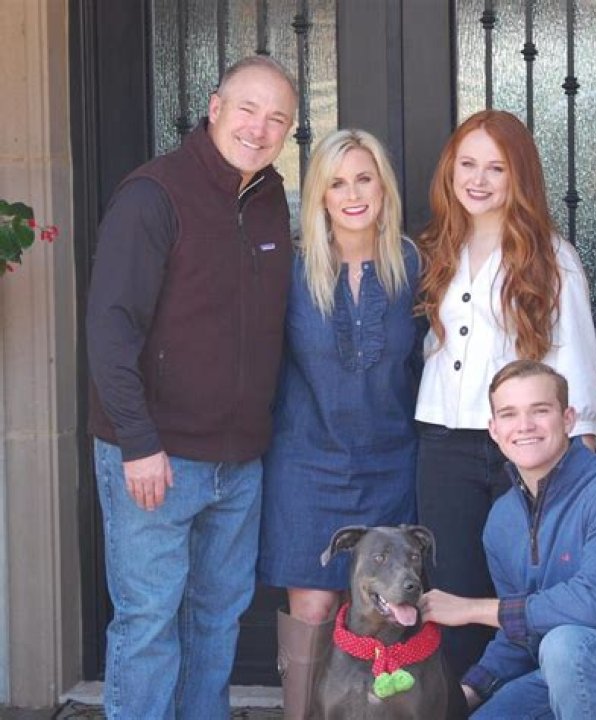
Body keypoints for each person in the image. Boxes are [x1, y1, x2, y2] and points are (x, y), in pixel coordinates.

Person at [86, 55, 298, 720]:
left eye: (277, 119)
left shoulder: (270, 201)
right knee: (149, 621)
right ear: (214, 108)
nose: (259, 128)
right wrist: (138, 443)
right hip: (157, 458)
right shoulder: (154, 195)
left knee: (217, 619)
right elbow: (110, 329)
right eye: (247, 109)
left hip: (238, 464)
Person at [415, 109, 596, 675]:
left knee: (524, 585)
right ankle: (460, 701)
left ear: (518, 176)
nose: (478, 180)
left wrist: (578, 452)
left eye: (496, 168)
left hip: (520, 448)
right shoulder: (435, 250)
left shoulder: (551, 257)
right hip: (442, 443)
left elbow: (574, 359)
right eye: (467, 164)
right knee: (451, 587)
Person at [420, 360, 596, 719]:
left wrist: (472, 610)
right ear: (494, 429)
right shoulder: (502, 519)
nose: (524, 426)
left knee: (565, 644)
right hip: (561, 676)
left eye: (540, 410)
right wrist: (460, 698)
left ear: (568, 419)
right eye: (509, 414)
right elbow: (518, 636)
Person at [257, 128, 423, 718]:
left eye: (363, 179)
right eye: (337, 183)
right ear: (319, 197)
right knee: (314, 611)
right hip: (306, 463)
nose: (352, 195)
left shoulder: (414, 265)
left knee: (387, 616)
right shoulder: (291, 268)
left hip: (390, 463)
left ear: (383, 188)